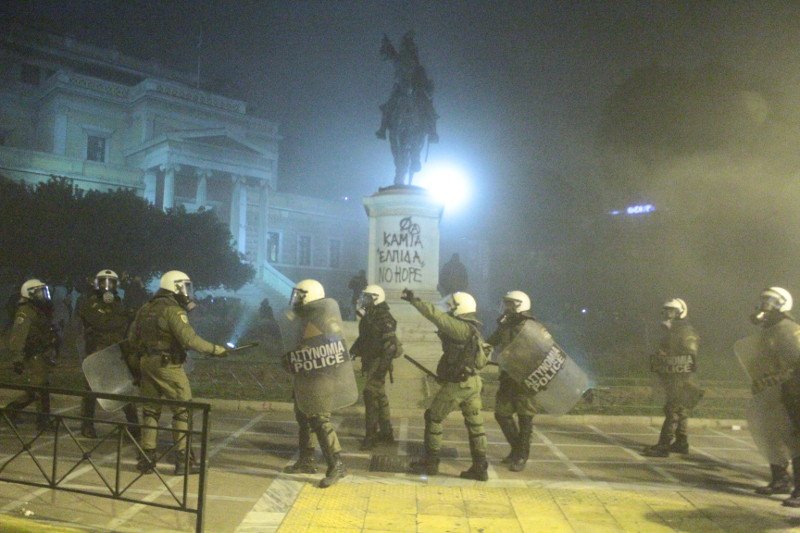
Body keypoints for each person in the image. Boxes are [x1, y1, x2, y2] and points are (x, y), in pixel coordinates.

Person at [129, 270, 228, 475]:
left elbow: (132, 339)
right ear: (174, 287)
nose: (187, 292)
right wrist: (216, 350)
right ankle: (183, 461)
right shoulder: (173, 310)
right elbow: (189, 340)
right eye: (184, 287)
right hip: (168, 366)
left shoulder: (145, 308)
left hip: (146, 363)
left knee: (150, 410)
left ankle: (147, 458)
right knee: (183, 410)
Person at [403, 288, 490, 481]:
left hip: (459, 385)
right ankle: (480, 467)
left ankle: (431, 462)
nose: (449, 309)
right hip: (473, 382)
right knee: (475, 424)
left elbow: (436, 316)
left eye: (452, 306)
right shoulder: (473, 328)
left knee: (433, 417)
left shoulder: (460, 327)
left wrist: (414, 300)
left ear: (461, 308)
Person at [282, 279, 350, 488]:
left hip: (321, 379)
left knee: (320, 420)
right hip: (305, 378)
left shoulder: (326, 321)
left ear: (309, 296)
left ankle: (337, 464)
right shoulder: (305, 319)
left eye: (299, 295)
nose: (295, 299)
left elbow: (336, 351)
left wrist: (307, 355)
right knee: (303, 417)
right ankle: (307, 459)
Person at [748, 287, 800, 506]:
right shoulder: (769, 330)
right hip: (773, 393)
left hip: (793, 392)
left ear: (783, 304)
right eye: (764, 300)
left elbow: (796, 363)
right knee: (772, 435)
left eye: (771, 301)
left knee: (796, 439)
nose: (765, 305)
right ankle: (780, 480)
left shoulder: (789, 329)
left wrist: (773, 379)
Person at [77, 269, 140, 439]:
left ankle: (134, 426)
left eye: (111, 282)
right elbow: (103, 324)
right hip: (96, 351)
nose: (107, 286)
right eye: (104, 282)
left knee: (123, 388)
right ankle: (87, 425)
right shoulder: (90, 303)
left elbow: (123, 324)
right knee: (91, 390)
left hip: (114, 351)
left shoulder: (118, 303)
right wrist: (123, 317)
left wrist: (124, 315)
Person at [643, 298, 703, 457]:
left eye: (671, 311)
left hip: (681, 378)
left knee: (673, 411)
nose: (668, 314)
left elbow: (690, 357)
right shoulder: (673, 332)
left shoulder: (686, 332)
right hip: (673, 377)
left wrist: (669, 357)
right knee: (680, 411)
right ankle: (681, 443)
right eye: (666, 311)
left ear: (680, 313)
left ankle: (663, 446)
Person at [487, 291, 538, 472]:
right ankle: (517, 449)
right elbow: (491, 341)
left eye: (510, 304)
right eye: (506, 303)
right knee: (501, 414)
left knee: (525, 418)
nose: (507, 307)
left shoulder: (531, 327)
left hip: (525, 379)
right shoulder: (506, 324)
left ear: (520, 305)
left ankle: (522, 455)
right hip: (508, 377)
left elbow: (541, 351)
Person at [3, 279, 59, 431]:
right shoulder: (25, 311)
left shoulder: (39, 310)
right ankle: (39, 420)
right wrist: (17, 359)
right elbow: (18, 337)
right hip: (33, 353)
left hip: (42, 353)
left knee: (39, 387)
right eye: (40, 293)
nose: (43, 296)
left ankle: (13, 411)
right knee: (39, 388)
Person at [350, 284, 401, 450]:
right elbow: (364, 338)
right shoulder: (371, 315)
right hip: (372, 360)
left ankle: (370, 436)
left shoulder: (383, 317)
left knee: (370, 395)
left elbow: (390, 347)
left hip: (379, 361)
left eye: (367, 296)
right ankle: (386, 433)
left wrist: (380, 370)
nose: (363, 299)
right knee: (380, 396)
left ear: (376, 298)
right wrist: (353, 351)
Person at [376, 31, 438, 143]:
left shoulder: (418, 67)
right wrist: (386, 44)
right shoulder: (399, 61)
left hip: (416, 90)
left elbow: (424, 81)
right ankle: (382, 129)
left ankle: (433, 132)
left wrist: (426, 87)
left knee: (428, 106)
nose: (408, 51)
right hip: (400, 88)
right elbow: (389, 54)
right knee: (390, 104)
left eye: (410, 48)